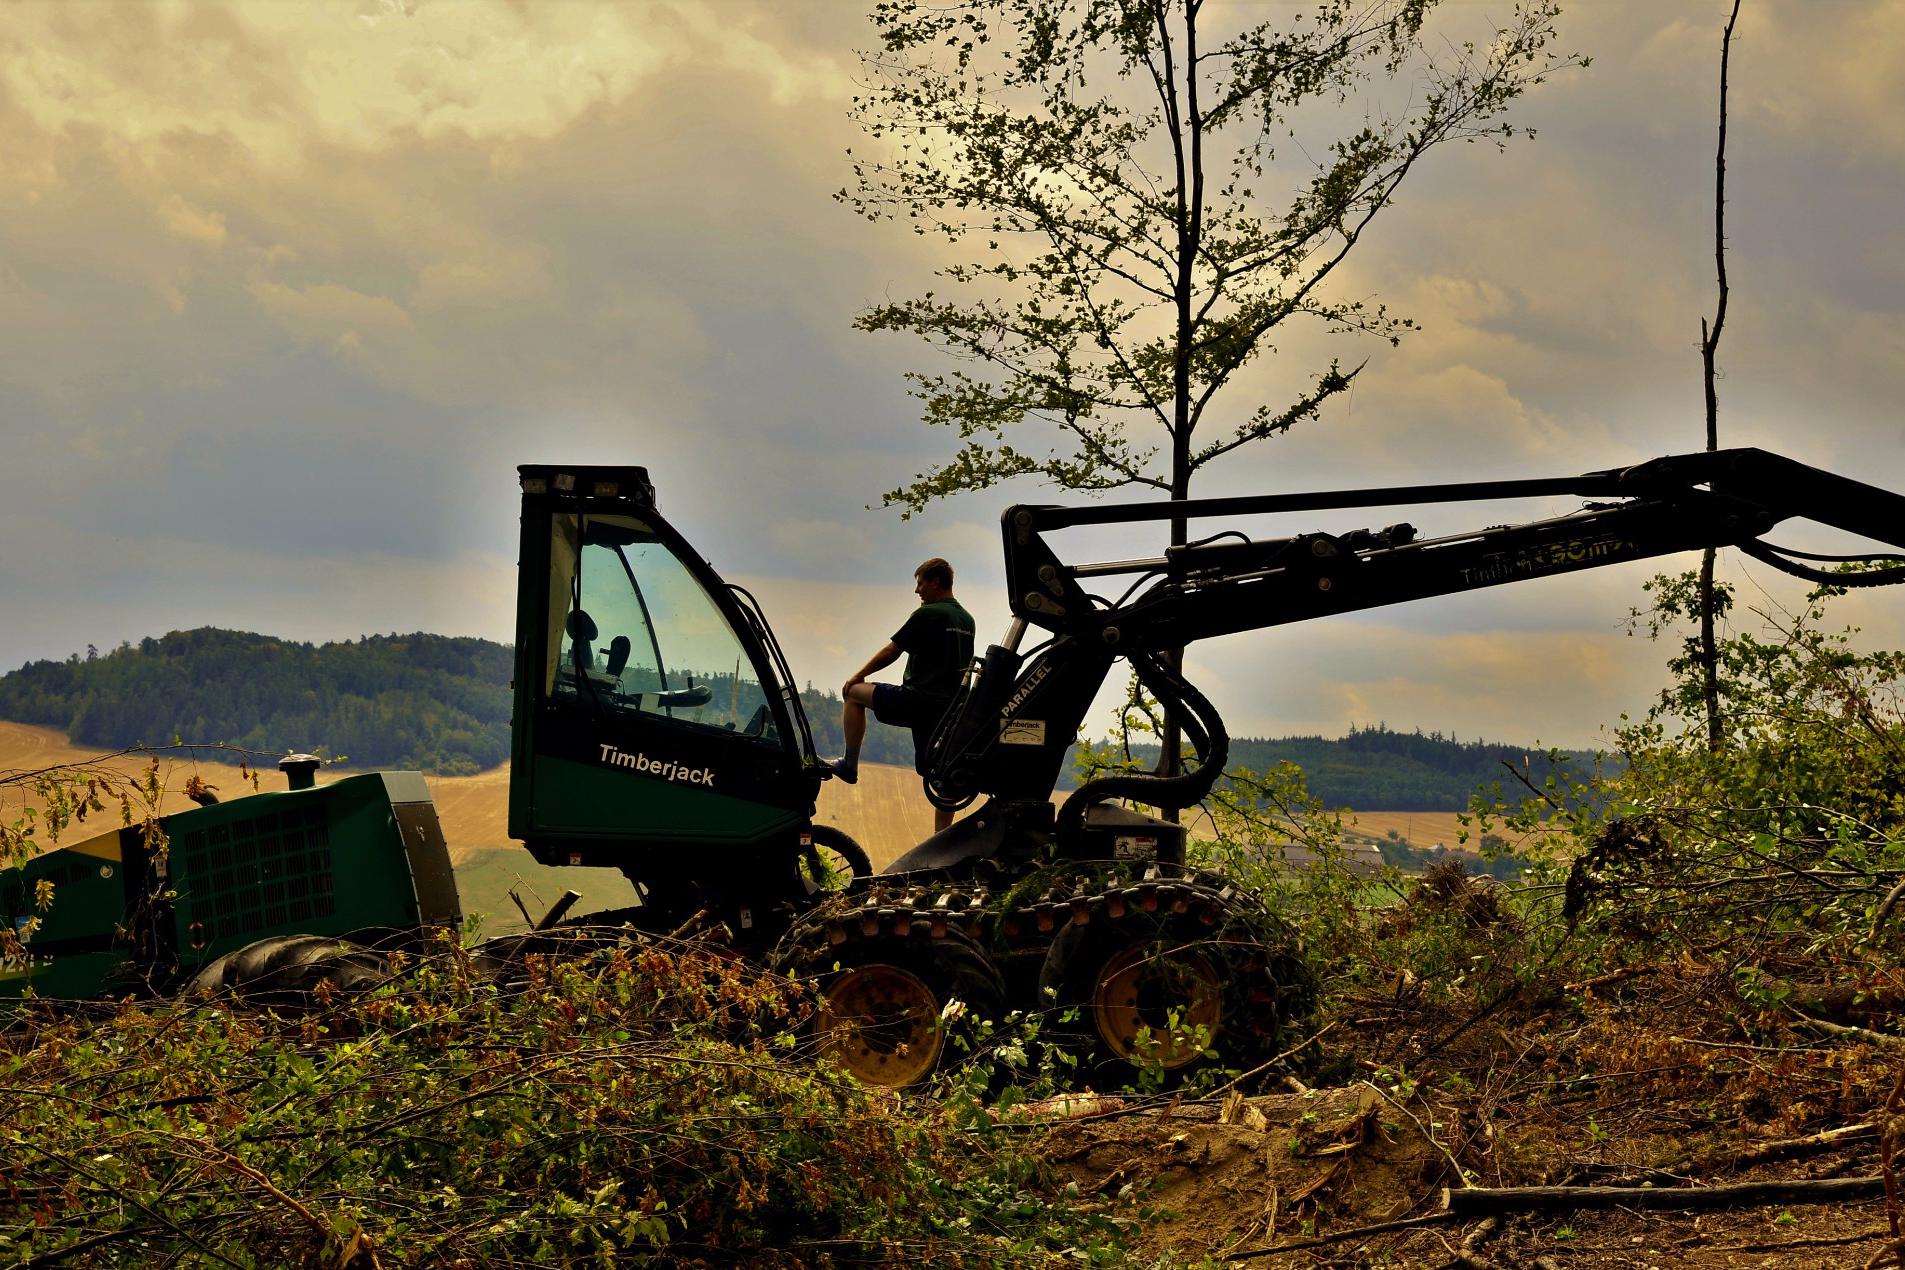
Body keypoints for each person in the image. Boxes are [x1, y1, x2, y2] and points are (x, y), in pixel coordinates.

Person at [828, 557, 975, 832]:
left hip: (916, 700)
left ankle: (849, 764)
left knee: (853, 693)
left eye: (920, 583)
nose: (917, 591)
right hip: (949, 710)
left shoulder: (928, 614)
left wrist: (858, 675)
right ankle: (940, 840)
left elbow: (892, 651)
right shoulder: (967, 620)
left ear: (935, 582)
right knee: (941, 775)